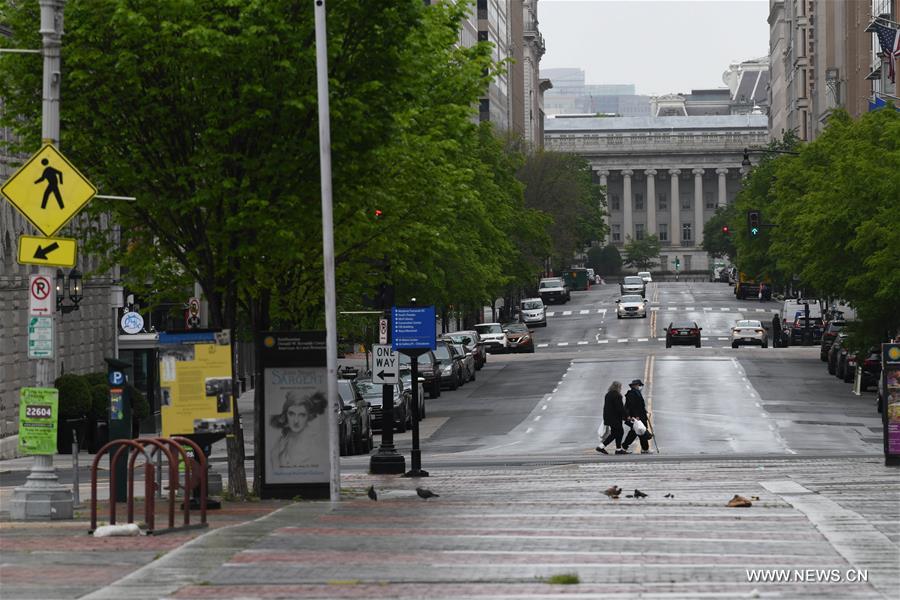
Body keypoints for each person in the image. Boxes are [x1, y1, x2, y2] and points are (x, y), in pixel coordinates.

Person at [269, 391, 327, 470]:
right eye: (291, 414)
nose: (296, 421)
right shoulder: (281, 441)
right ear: (286, 415)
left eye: (302, 415)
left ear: (308, 416)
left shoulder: (315, 442)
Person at [597, 381, 629, 455]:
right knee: (619, 432)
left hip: (608, 417)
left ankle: (617, 449)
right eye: (620, 387)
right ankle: (602, 447)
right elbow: (620, 408)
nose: (621, 388)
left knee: (616, 433)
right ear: (617, 387)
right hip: (615, 417)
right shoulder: (617, 395)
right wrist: (626, 415)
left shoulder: (608, 394)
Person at [622, 379, 651, 453]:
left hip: (640, 415)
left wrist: (644, 410)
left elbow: (639, 405)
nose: (640, 387)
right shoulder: (632, 394)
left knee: (637, 432)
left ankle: (625, 446)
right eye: (639, 385)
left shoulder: (636, 392)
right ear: (635, 385)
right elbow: (632, 406)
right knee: (641, 431)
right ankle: (645, 449)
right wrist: (636, 416)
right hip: (637, 417)